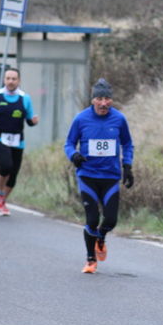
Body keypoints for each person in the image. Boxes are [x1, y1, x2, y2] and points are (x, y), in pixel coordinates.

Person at [64, 78, 134, 274]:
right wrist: (74, 155)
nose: (104, 103)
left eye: (107, 99)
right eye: (99, 99)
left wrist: (127, 165)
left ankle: (101, 238)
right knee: (92, 219)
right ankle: (90, 259)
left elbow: (127, 144)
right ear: (93, 100)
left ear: (111, 100)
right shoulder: (81, 119)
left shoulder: (119, 119)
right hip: (88, 175)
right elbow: (69, 143)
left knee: (111, 220)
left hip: (111, 176)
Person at [0, 68, 39, 216]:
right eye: (8, 78)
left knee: (13, 175)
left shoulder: (24, 98)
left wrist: (34, 122)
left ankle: (2, 201)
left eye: (13, 79)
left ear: (19, 81)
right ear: (4, 80)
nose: (10, 81)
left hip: (17, 140)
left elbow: (29, 120)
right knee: (6, 165)